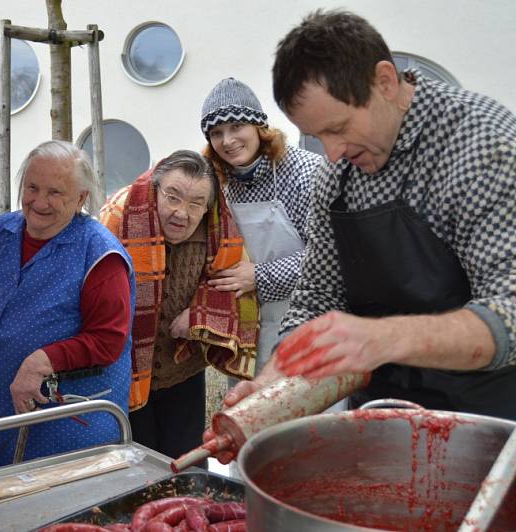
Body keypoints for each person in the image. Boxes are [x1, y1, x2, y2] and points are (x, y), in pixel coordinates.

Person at [215, 8, 516, 446]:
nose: (332, 155)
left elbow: (512, 309)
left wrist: (383, 337)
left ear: (385, 82)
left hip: (490, 429)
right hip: (383, 422)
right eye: (318, 138)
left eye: (338, 128)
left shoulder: (482, 144)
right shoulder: (337, 176)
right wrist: (273, 384)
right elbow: (318, 295)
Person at [0, 140, 135, 471]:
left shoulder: (101, 255)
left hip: (65, 434)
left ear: (80, 199)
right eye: (32, 187)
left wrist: (42, 361)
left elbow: (108, 340)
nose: (39, 202)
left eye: (55, 193)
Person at [100, 150, 259, 459]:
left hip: (182, 368)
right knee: (135, 462)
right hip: (125, 367)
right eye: (173, 198)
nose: (182, 213)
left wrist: (198, 315)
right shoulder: (119, 217)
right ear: (154, 191)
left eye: (195, 203)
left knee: (186, 462)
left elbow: (232, 283)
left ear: (207, 207)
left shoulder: (219, 228)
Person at [201, 77, 322, 371]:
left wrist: (261, 276)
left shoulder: (308, 172)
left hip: (311, 324)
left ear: (259, 127)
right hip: (246, 334)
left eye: (236, 127)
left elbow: (332, 257)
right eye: (216, 133)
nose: (227, 141)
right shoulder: (217, 184)